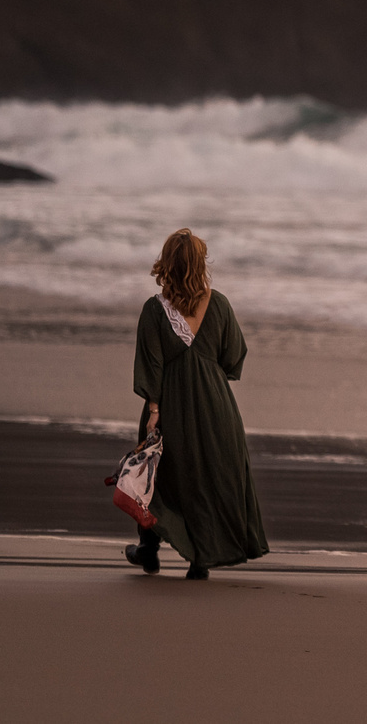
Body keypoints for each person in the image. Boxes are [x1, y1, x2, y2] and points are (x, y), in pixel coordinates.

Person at [124, 228, 269, 578]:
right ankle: (200, 561)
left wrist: (154, 411)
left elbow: (151, 366)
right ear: (200, 264)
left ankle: (148, 550)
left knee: (155, 475)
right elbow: (233, 356)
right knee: (207, 478)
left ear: (167, 265)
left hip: (169, 407)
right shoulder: (218, 304)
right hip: (216, 407)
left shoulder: (154, 311)